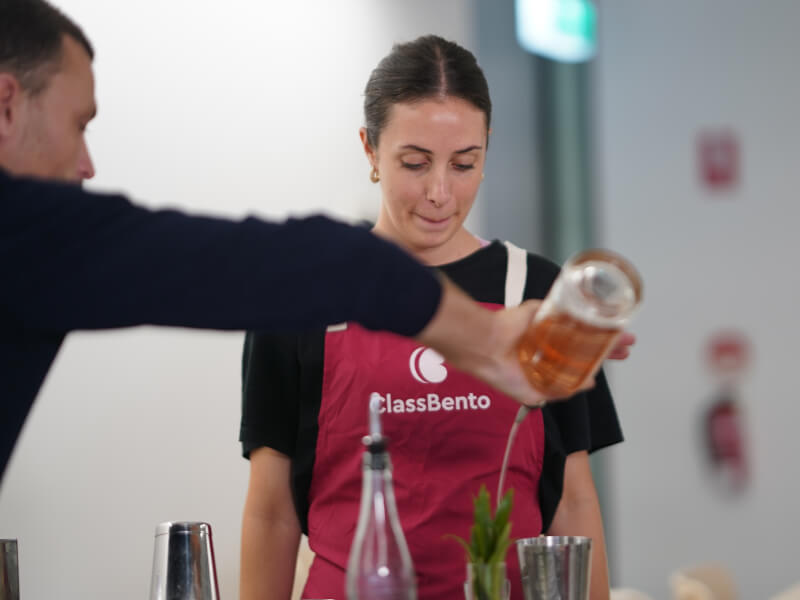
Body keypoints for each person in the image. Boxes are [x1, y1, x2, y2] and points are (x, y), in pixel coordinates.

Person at [0, 1, 567, 484]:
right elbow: (341, 266)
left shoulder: (530, 278)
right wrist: (489, 338)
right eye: (79, 124)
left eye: (464, 162)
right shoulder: (22, 232)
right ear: (6, 105)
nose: (86, 164)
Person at [240, 36, 632, 600]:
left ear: (487, 150)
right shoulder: (304, 296)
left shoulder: (538, 291)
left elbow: (572, 500)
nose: (440, 193)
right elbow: (273, 512)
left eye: (465, 163)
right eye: (415, 163)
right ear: (370, 150)